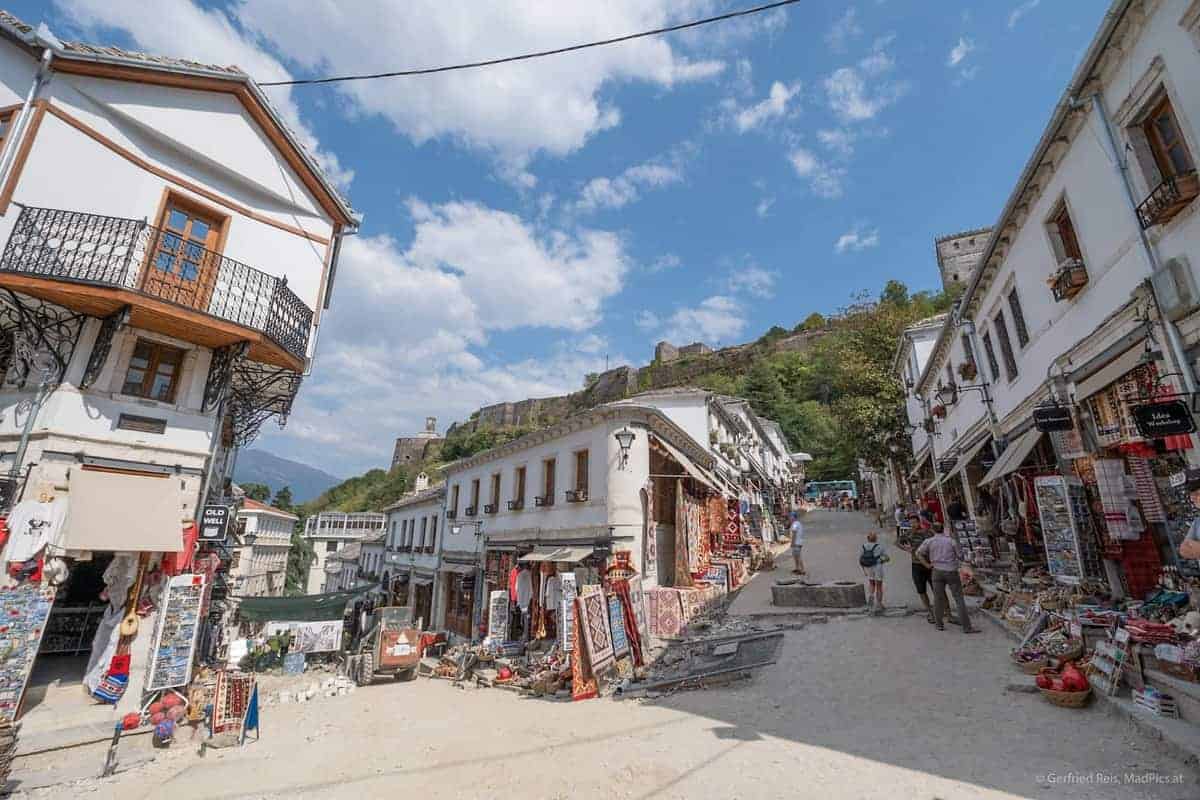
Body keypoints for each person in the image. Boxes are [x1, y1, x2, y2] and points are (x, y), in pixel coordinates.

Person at [916, 527, 980, 633]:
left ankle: (939, 624)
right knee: (959, 599)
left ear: (934, 530)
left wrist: (927, 564)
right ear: (944, 530)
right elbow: (960, 556)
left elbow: (918, 553)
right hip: (951, 571)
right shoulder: (951, 541)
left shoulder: (929, 541)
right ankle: (967, 627)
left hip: (936, 571)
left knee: (938, 598)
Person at [858, 531, 889, 615]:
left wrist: (864, 570)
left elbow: (860, 559)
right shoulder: (879, 547)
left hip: (868, 567)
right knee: (879, 585)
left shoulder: (863, 546)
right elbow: (887, 558)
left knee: (871, 583)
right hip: (877, 567)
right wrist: (882, 560)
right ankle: (879, 603)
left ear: (867, 538)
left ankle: (871, 596)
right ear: (876, 538)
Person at [789, 509, 807, 575]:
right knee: (795, 556)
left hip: (796, 543)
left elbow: (794, 534)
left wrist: (792, 543)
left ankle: (802, 570)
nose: (790, 518)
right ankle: (797, 568)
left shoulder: (795, 524)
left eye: (791, 517)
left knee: (798, 556)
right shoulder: (797, 523)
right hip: (798, 542)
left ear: (793, 517)